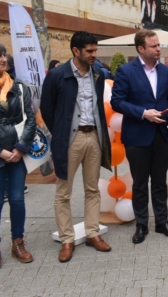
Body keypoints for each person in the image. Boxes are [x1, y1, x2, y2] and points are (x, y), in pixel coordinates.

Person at [40, 31, 112, 263]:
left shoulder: (99, 74)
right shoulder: (57, 75)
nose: (94, 55)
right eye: (89, 51)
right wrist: (60, 132)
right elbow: (47, 108)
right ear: (76, 51)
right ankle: (67, 239)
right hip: (69, 140)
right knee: (64, 192)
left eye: (95, 50)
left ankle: (93, 233)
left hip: (94, 138)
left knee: (93, 189)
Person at [111, 30, 168, 243]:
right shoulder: (125, 71)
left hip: (162, 135)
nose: (159, 48)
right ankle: (141, 224)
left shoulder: (166, 72)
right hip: (137, 136)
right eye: (154, 46)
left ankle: (162, 222)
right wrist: (143, 113)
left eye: (159, 45)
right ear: (141, 49)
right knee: (140, 183)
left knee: (160, 181)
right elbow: (117, 102)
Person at [0, 44, 35, 266]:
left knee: (17, 199)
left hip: (17, 152)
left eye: (3, 55)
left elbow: (30, 118)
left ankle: (18, 242)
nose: (2, 59)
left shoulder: (20, 87)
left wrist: (21, 147)